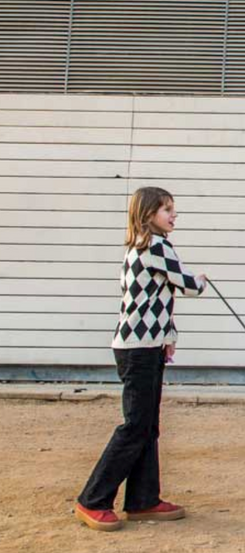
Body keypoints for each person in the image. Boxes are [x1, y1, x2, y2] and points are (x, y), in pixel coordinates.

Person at [75, 186, 206, 531]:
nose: (173, 215)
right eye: (167, 209)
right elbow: (186, 285)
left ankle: (144, 499)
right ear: (148, 214)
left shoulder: (140, 247)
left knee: (147, 426)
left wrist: (169, 336)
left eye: (173, 209)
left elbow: (156, 300)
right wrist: (202, 281)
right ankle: (92, 500)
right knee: (136, 426)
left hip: (143, 345)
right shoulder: (157, 245)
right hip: (139, 349)